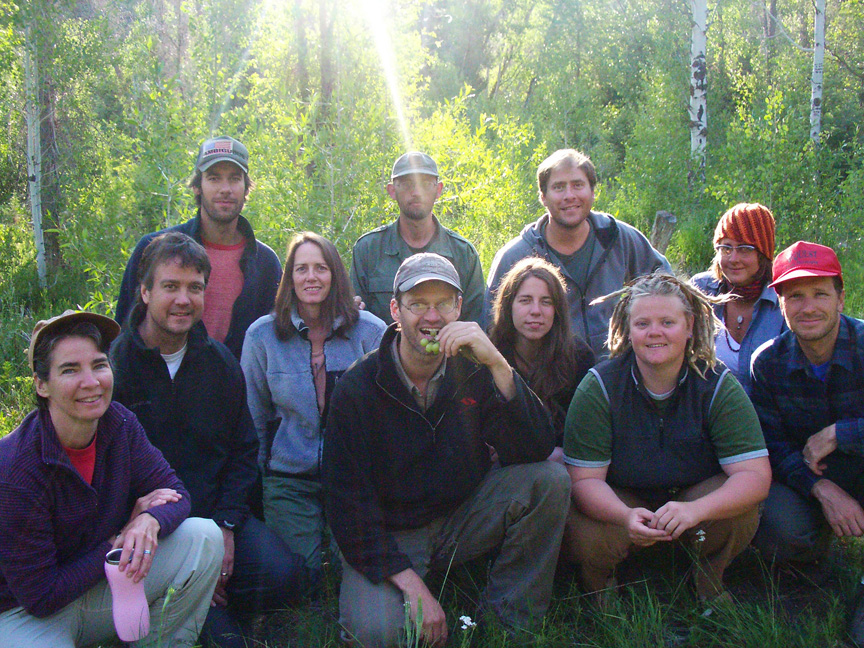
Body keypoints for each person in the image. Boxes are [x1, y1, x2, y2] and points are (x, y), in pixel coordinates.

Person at [323, 253, 570, 647]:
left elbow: (536, 448)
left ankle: (508, 624)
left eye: (443, 303)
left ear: (460, 307)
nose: (432, 316)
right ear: (395, 310)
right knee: (377, 636)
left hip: (460, 517)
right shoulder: (359, 388)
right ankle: (404, 589)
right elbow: (346, 506)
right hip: (391, 532)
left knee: (550, 481)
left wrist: (499, 365)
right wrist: (412, 586)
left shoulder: (474, 369)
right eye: (418, 304)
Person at [110, 232, 311, 648]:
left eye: (194, 288)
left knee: (286, 576)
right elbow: (106, 466)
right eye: (170, 286)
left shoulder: (219, 363)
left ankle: (203, 597)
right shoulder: (115, 367)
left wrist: (227, 525)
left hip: (213, 516)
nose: (183, 300)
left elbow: (242, 451)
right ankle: (202, 604)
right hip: (147, 528)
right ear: (144, 291)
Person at [0, 310, 223, 647]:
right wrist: (118, 541)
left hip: (98, 586)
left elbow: (176, 493)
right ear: (42, 385)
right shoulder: (16, 468)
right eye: (70, 370)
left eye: (99, 364)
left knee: (204, 537)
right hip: (26, 614)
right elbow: (40, 596)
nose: (91, 382)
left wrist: (147, 521)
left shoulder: (119, 425)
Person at [563, 272, 770, 603]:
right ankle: (601, 588)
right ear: (628, 331)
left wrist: (697, 510)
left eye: (667, 322)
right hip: (623, 499)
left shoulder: (717, 384)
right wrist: (625, 516)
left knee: (741, 510)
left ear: (689, 327)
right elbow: (584, 481)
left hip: (692, 500)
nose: (654, 332)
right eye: (642, 323)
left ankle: (707, 582)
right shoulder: (599, 386)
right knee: (586, 527)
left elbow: (755, 476)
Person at [242, 232, 386, 572]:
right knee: (299, 575)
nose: (311, 277)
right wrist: (260, 482)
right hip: (288, 479)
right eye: (301, 268)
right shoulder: (261, 337)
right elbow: (255, 416)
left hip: (352, 477)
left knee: (347, 569)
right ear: (289, 277)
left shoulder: (371, 332)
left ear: (335, 274)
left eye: (321, 268)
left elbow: (385, 417)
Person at [749, 241, 864, 644]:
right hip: (811, 481)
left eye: (820, 293)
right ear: (780, 303)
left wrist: (841, 432)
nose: (808, 307)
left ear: (841, 297)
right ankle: (809, 570)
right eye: (796, 296)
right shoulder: (767, 363)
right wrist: (822, 490)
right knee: (777, 525)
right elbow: (772, 447)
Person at [485, 148, 670, 357]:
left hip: (617, 369)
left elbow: (667, 286)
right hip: (550, 377)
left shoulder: (618, 238)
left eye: (578, 185)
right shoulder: (516, 256)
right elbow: (492, 327)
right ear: (543, 197)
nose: (569, 196)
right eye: (558, 187)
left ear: (592, 191)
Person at [115, 135, 282, 359]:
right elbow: (123, 333)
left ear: (245, 188)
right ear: (197, 187)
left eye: (234, 179)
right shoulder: (153, 250)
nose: (225, 189)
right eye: (214, 178)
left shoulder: (265, 263)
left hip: (236, 388)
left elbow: (275, 343)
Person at [351, 151, 485, 324]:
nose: (416, 192)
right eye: (406, 184)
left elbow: (475, 324)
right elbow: (360, 322)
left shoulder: (463, 254)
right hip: (383, 350)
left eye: (426, 183)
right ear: (392, 191)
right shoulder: (368, 250)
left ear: (439, 190)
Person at [488, 256, 595, 462]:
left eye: (546, 302)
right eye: (525, 300)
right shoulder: (490, 352)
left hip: (563, 467)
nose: (535, 311)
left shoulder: (579, 357)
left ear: (558, 310)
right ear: (508, 305)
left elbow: (585, 439)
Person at [691, 202, 785, 392]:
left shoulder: (782, 300)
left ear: (763, 253)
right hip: (707, 412)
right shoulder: (700, 290)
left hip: (766, 417)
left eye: (744, 249)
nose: (734, 259)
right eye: (726, 248)